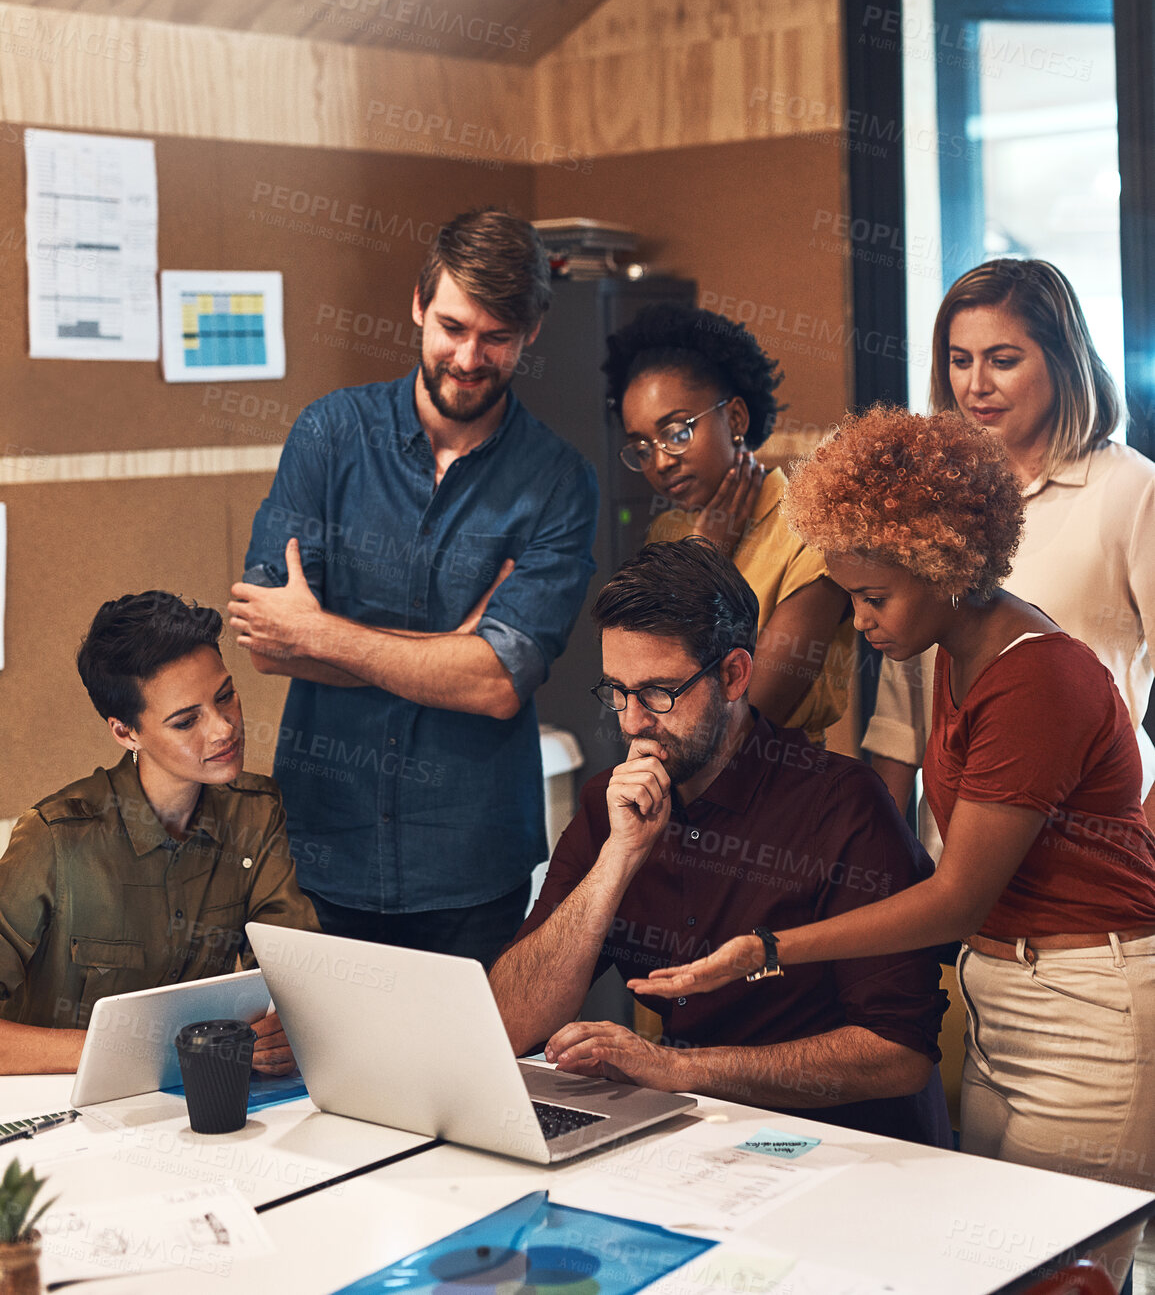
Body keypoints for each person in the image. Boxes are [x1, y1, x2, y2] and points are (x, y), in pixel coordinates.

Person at [634, 409, 1155, 1290]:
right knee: (998, 1262)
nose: (862, 621)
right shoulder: (956, 648)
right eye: (850, 597)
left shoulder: (1034, 678)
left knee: (1067, 1277)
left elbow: (952, 897)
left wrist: (765, 950)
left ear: (945, 564)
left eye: (875, 597)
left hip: (1088, 1014)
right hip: (1009, 997)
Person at [489, 538, 952, 1146]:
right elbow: (505, 1022)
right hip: (697, 1143)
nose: (631, 722)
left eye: (659, 692)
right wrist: (618, 859)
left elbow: (899, 1053)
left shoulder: (842, 807)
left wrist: (676, 1070)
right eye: (617, 692)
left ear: (734, 675)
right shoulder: (615, 802)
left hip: (846, 1152)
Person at [229, 208, 598, 969]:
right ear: (418, 306)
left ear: (530, 332)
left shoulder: (560, 482)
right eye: (453, 326)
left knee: (460, 1089)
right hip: (322, 848)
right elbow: (269, 641)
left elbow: (498, 685)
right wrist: (458, 647)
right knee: (314, 1087)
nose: (468, 356)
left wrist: (323, 631)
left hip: (472, 863)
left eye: (495, 336)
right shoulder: (329, 434)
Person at [863, 258, 1155, 840]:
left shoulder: (1131, 490)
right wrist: (885, 873)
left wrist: (1142, 851)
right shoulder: (929, 497)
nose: (976, 386)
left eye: (1002, 360)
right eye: (959, 360)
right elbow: (901, 718)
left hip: (1090, 866)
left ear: (1063, 362)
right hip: (951, 870)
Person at [0, 591, 318, 1076]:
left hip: (199, 1101)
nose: (224, 730)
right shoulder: (55, 840)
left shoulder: (257, 812)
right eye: (186, 720)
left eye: (226, 695)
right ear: (126, 732)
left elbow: (297, 979)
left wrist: (290, 1029)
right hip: (59, 1116)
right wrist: (163, 1050)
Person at [603, 305, 851, 743]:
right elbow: (638, 687)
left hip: (783, 781)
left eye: (678, 432)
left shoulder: (811, 531)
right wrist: (702, 548)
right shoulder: (669, 530)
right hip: (674, 779)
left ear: (735, 418)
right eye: (642, 447)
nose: (660, 461)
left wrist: (704, 566)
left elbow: (747, 712)